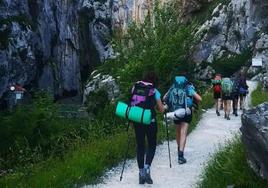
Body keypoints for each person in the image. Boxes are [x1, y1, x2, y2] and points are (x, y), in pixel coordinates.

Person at [130, 71, 165, 184]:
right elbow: (160, 109)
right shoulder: (154, 91)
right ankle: (147, 168)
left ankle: (141, 173)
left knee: (140, 146)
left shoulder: (135, 88)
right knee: (151, 145)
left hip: (137, 121)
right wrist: (164, 107)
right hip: (150, 121)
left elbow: (132, 104)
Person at [164, 76, 202, 164]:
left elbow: (164, 98)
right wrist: (192, 103)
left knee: (178, 131)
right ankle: (180, 156)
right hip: (186, 112)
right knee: (183, 132)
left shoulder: (173, 87)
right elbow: (200, 98)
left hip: (176, 112)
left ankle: (179, 148)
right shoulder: (188, 88)